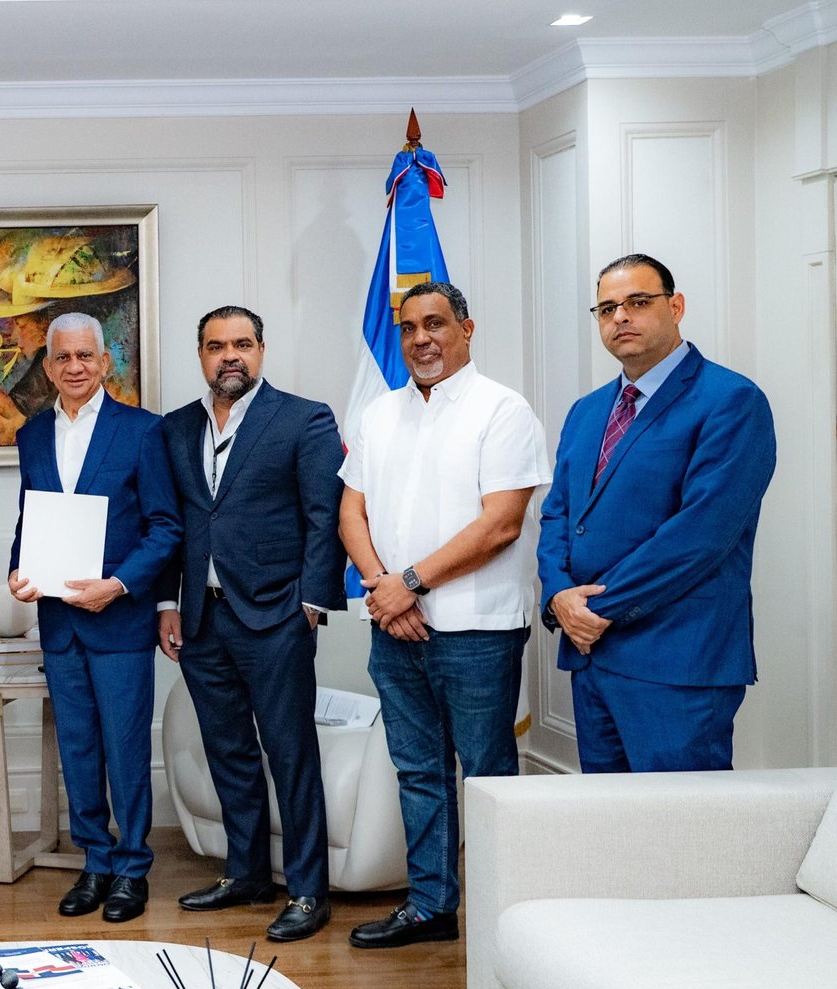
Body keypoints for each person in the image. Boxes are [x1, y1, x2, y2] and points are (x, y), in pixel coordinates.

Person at [338, 281, 550, 948]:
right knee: (418, 772)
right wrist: (385, 591)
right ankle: (431, 907)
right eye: (408, 328)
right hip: (394, 628)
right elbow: (351, 513)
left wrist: (407, 584)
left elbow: (500, 525)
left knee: (486, 776)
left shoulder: (503, 410)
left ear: (466, 328)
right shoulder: (379, 414)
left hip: (478, 632)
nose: (420, 339)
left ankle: (501, 915)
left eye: (434, 324)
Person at [538, 253, 775, 773]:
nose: (620, 317)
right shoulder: (586, 411)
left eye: (638, 302)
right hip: (591, 659)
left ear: (676, 306)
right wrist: (558, 595)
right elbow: (558, 516)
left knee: (682, 820)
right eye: (607, 309)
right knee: (609, 818)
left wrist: (594, 609)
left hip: (677, 661)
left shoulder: (731, 400)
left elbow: (700, 535)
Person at [155, 305, 347, 942]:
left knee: (290, 753)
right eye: (216, 346)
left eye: (241, 344)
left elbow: (324, 516)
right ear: (201, 356)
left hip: (277, 615)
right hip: (202, 618)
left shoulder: (303, 419)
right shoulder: (177, 428)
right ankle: (246, 873)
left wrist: (313, 602)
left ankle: (308, 890)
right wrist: (167, 604)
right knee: (228, 751)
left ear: (261, 350)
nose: (229, 355)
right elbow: (173, 525)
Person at [7, 312, 181, 922]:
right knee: (78, 748)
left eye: (86, 356)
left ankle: (132, 868)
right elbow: (30, 519)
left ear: (105, 362)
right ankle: (95, 862)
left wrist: (121, 584)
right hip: (59, 624)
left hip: (120, 620)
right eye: (63, 357)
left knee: (126, 747)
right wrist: (17, 570)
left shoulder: (143, 431)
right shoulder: (32, 434)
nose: (75, 367)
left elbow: (166, 527)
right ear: (48, 366)